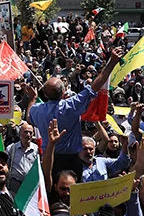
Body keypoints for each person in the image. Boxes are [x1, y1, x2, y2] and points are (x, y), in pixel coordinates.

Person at [28, 47, 124, 180]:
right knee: (72, 190)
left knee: (52, 189)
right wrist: (112, 62)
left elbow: (29, 118)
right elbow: (95, 86)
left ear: (44, 94)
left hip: (48, 160)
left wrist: (32, 99)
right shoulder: (71, 106)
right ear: (63, 92)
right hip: (71, 160)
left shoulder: (37, 109)